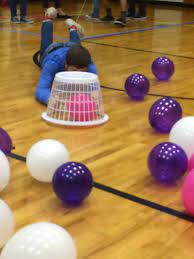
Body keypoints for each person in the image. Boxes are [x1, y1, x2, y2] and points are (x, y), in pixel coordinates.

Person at [35, 7, 97, 105]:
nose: (77, 75)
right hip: (52, 51)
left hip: (72, 47)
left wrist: (91, 98)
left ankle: (71, 27)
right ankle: (49, 19)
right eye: (74, 70)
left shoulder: (89, 63)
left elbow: (94, 91)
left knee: (77, 46)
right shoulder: (52, 63)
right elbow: (41, 89)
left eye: (82, 72)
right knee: (44, 49)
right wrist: (50, 100)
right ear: (66, 65)